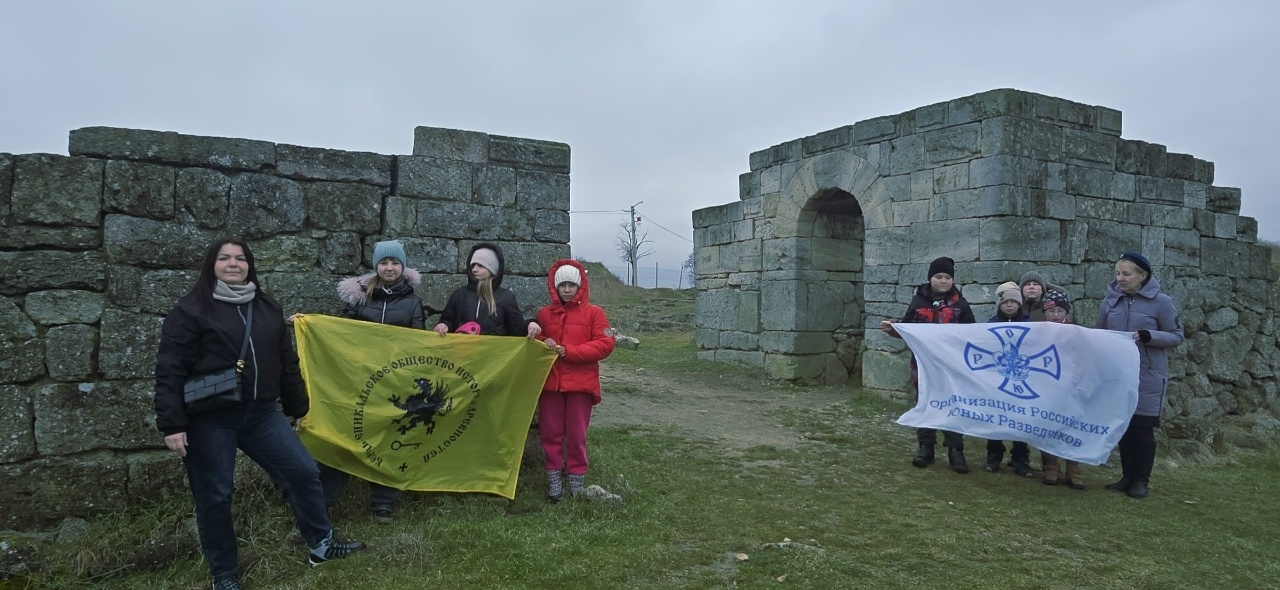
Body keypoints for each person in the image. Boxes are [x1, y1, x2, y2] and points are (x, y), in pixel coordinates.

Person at [154, 238, 365, 590]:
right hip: (209, 418)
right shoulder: (190, 310)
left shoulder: (266, 307)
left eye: (240, 258)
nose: (233, 264)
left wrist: (298, 406)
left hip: (262, 415)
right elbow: (170, 368)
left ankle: (321, 544)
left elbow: (286, 360)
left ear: (250, 265)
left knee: (303, 472)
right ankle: (224, 575)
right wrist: (172, 423)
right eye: (224, 258)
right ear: (212, 265)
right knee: (216, 495)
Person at [317, 240, 426, 523]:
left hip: (394, 382)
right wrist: (310, 323)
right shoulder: (359, 298)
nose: (389, 268)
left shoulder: (412, 303)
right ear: (375, 266)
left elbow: (418, 343)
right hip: (359, 379)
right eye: (384, 263)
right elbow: (339, 332)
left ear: (403, 267)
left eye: (395, 263)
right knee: (346, 436)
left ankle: (383, 502)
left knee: (392, 438)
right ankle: (323, 501)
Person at [1095, 252, 1183, 499]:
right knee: (1125, 427)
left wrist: (1149, 336)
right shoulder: (1111, 301)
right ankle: (1127, 476)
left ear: (1143, 276)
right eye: (1117, 273)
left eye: (1126, 274)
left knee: (1143, 430)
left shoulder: (1161, 303)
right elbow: (1099, 333)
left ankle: (1141, 481)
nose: (1120, 279)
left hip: (1147, 376)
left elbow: (1176, 336)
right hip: (1118, 375)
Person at [880, 256, 976, 473]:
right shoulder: (918, 302)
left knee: (952, 406)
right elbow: (908, 329)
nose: (943, 281)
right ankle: (926, 447)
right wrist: (894, 328)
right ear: (930, 278)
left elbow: (972, 333)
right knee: (925, 404)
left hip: (950, 367)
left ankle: (955, 450)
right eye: (939, 276)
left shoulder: (960, 304)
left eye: (948, 277)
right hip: (922, 367)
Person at [534, 260, 616, 502]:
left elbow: (605, 343)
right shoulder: (544, 314)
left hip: (580, 385)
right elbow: (536, 340)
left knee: (577, 434)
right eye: (563, 285)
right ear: (555, 287)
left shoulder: (595, 314)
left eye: (572, 284)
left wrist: (570, 352)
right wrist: (543, 341)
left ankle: (576, 481)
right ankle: (554, 484)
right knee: (550, 433)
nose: (567, 289)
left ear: (580, 286)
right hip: (551, 385)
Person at [434, 243, 541, 339]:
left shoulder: (506, 297)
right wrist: (443, 326)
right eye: (473, 265)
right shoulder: (459, 295)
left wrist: (530, 324)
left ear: (492, 269)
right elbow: (447, 321)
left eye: (480, 265)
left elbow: (516, 330)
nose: (474, 269)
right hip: (462, 355)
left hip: (493, 358)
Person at [983, 282, 1034, 477]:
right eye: (1006, 301)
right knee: (996, 417)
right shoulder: (990, 325)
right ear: (999, 304)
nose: (1010, 305)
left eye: (1014, 301)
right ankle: (994, 454)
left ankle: (1020, 457)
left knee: (1020, 418)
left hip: (1021, 381)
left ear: (1020, 303)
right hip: (997, 380)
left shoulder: (1030, 326)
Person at [1038, 288, 1086, 490]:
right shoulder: (1038, 332)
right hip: (1048, 386)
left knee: (1071, 425)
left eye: (1060, 310)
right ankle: (1051, 465)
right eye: (1051, 311)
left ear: (1067, 312)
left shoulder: (1078, 333)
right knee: (1050, 425)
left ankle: (1073, 468)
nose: (1055, 315)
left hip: (1071, 386)